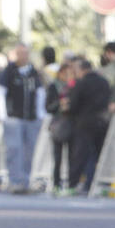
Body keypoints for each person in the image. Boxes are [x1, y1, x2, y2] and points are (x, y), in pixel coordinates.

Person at [0, 43, 46, 194]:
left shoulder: (33, 72)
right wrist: (2, 115)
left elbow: (40, 92)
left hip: (31, 117)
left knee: (29, 150)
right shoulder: (9, 72)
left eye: (25, 53)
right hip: (13, 117)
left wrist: (40, 114)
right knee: (14, 149)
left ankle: (25, 181)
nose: (24, 56)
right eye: (20, 53)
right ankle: (15, 181)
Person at [66, 58, 111, 194]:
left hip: (84, 122)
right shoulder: (104, 82)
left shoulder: (81, 83)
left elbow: (73, 105)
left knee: (81, 154)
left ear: (82, 70)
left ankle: (73, 184)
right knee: (98, 155)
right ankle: (94, 183)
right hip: (101, 121)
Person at [44, 62, 74, 193]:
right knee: (57, 157)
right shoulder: (53, 86)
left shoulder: (74, 86)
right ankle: (56, 183)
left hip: (72, 123)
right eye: (66, 73)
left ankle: (70, 183)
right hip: (58, 124)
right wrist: (59, 104)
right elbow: (48, 107)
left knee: (72, 156)